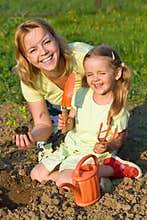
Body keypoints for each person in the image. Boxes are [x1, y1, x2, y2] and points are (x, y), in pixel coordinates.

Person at [30, 45, 142, 185]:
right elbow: (71, 122)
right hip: (71, 147)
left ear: (117, 73)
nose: (95, 79)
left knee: (63, 180)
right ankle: (93, 178)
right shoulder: (80, 95)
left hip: (94, 153)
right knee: (36, 174)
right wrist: (66, 123)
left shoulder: (117, 108)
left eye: (101, 73)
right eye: (90, 74)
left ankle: (112, 168)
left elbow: (120, 139)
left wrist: (107, 147)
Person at [14, 18, 93, 181]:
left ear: (56, 39)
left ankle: (101, 169)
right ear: (26, 57)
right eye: (33, 50)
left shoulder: (81, 56)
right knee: (46, 161)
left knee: (92, 147)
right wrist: (32, 137)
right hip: (60, 111)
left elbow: (116, 75)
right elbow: (43, 124)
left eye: (46, 42)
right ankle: (71, 177)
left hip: (93, 107)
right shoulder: (30, 78)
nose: (43, 52)